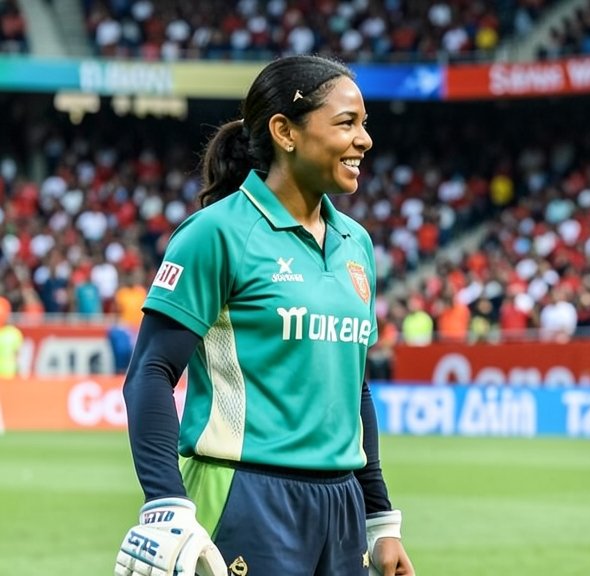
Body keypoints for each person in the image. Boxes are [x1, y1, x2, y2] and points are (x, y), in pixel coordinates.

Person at [116, 55, 414, 576]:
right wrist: (165, 504)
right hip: (243, 495)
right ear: (285, 132)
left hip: (341, 506)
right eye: (347, 123)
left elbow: (354, 387)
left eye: (364, 124)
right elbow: (150, 372)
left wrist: (380, 517)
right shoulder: (215, 233)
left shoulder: (356, 244)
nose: (364, 139)